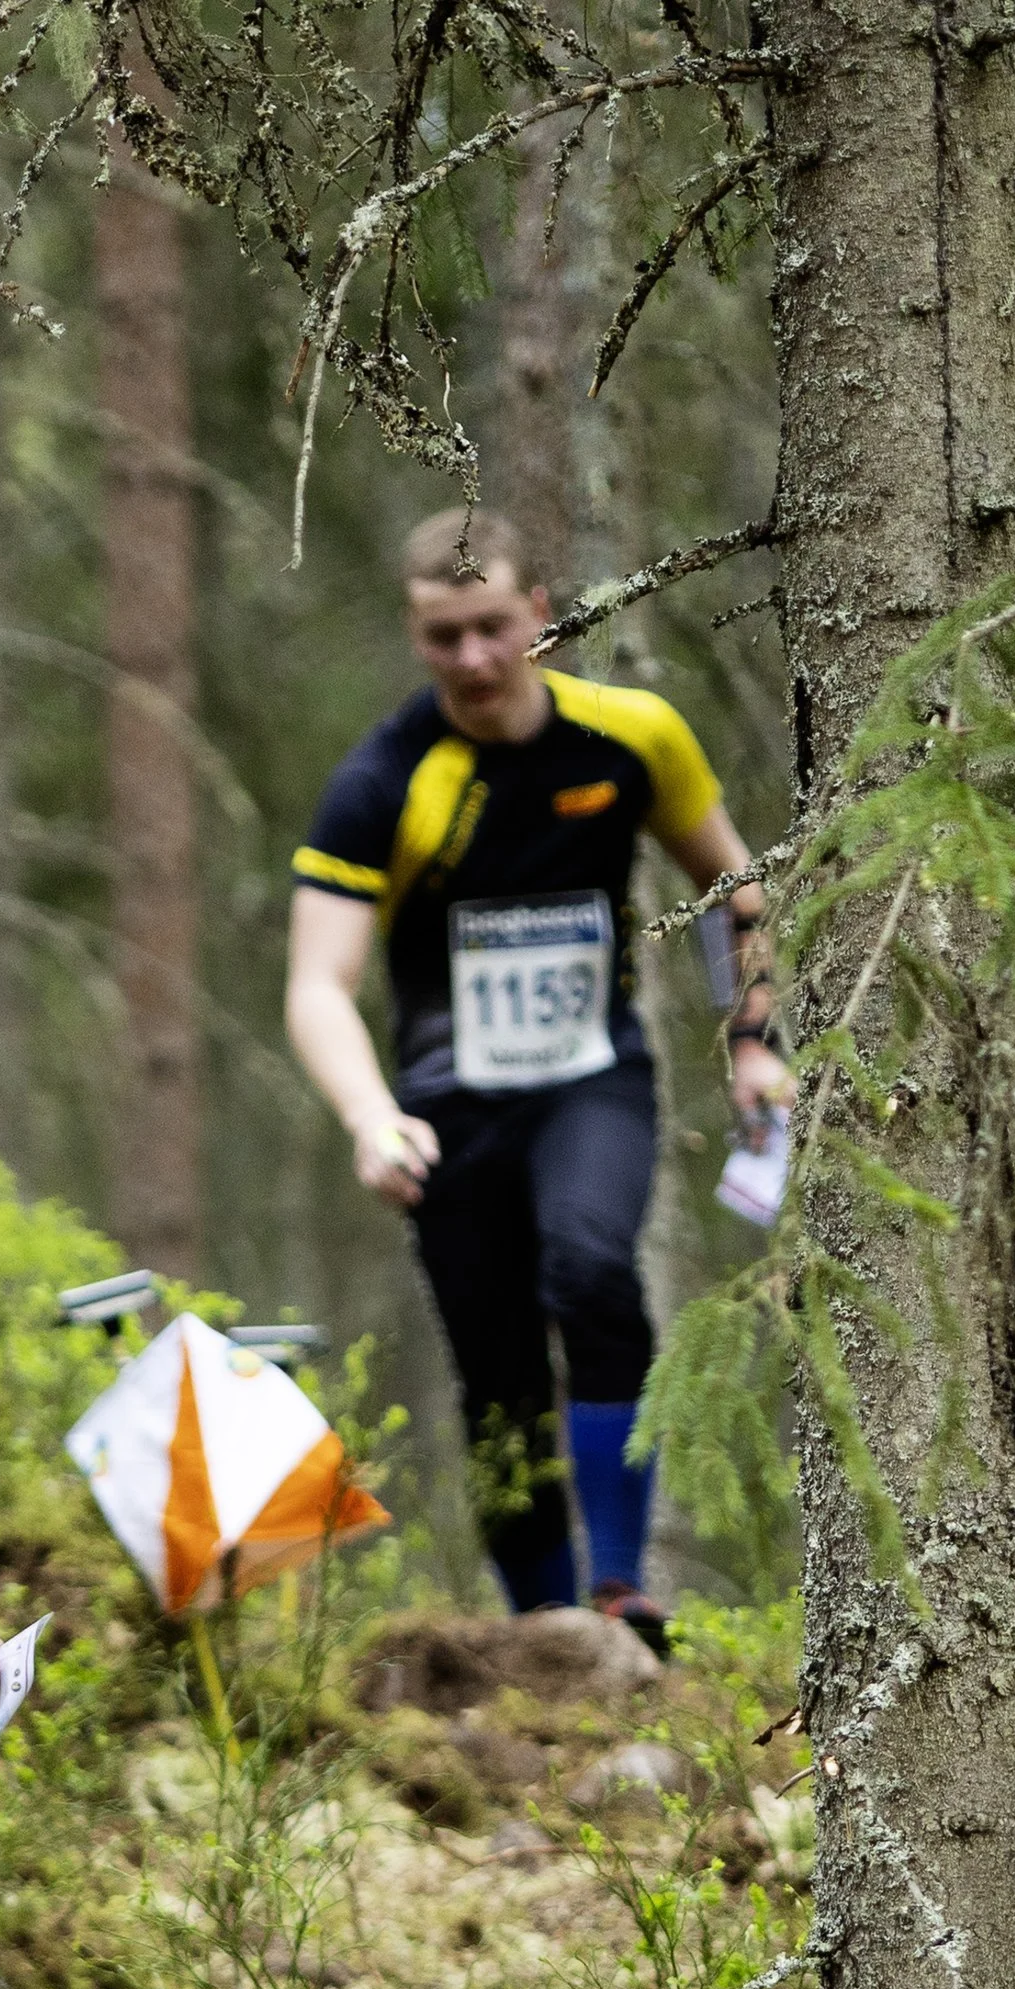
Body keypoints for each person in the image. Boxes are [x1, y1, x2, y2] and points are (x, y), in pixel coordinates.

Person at [285, 509, 786, 1647]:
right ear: (416, 636)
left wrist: (755, 1040)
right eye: (442, 635)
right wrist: (371, 1118)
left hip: (589, 1080)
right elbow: (317, 982)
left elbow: (736, 888)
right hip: (446, 1106)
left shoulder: (632, 737)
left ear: (540, 615)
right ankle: (542, 1632)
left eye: (490, 628)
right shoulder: (384, 777)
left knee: (591, 1266)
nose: (469, 658)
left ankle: (620, 1589)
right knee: (496, 1368)